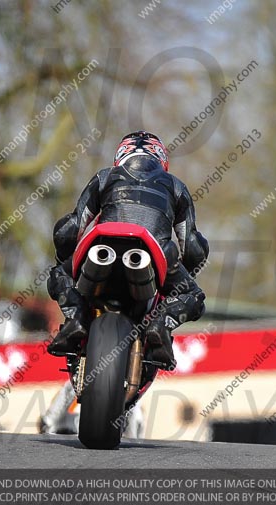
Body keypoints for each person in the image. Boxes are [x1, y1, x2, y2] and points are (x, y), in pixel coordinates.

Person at [46, 131, 209, 370]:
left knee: (57, 276)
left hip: (100, 244)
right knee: (195, 298)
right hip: (157, 251)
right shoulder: (176, 186)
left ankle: (76, 317)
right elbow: (193, 248)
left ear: (121, 155)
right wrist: (184, 275)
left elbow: (69, 230)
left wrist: (65, 262)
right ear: (161, 158)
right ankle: (160, 325)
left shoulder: (104, 177)